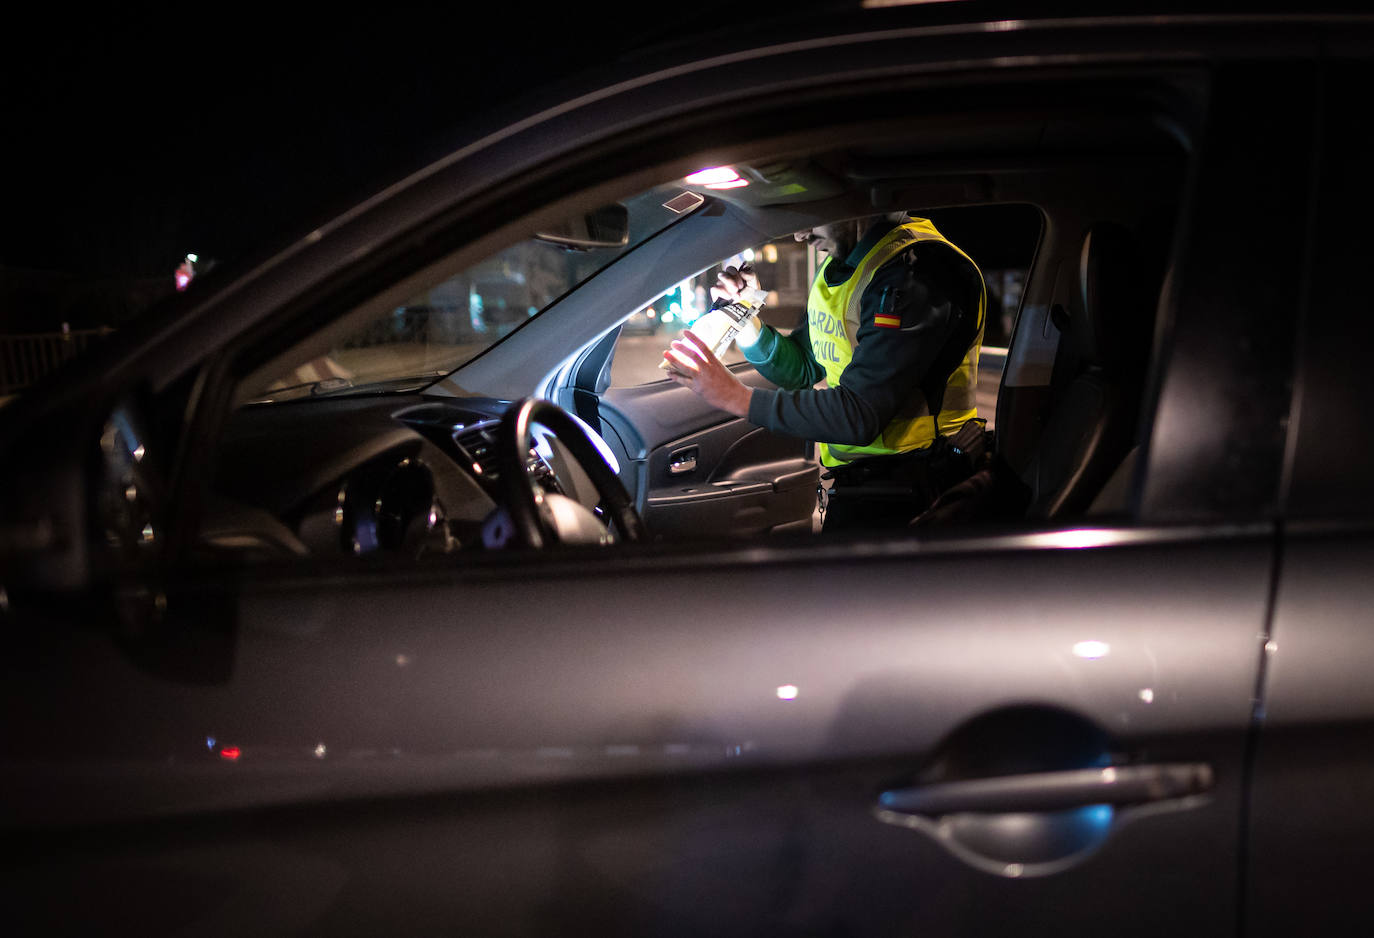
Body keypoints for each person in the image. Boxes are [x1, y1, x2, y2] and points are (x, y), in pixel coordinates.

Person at [662, 212, 988, 532]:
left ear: (856, 199)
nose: (800, 234)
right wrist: (745, 318)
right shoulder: (841, 265)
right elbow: (805, 366)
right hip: (867, 485)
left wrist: (734, 397)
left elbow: (859, 414)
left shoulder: (915, 273)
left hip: (918, 489)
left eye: (812, 213)